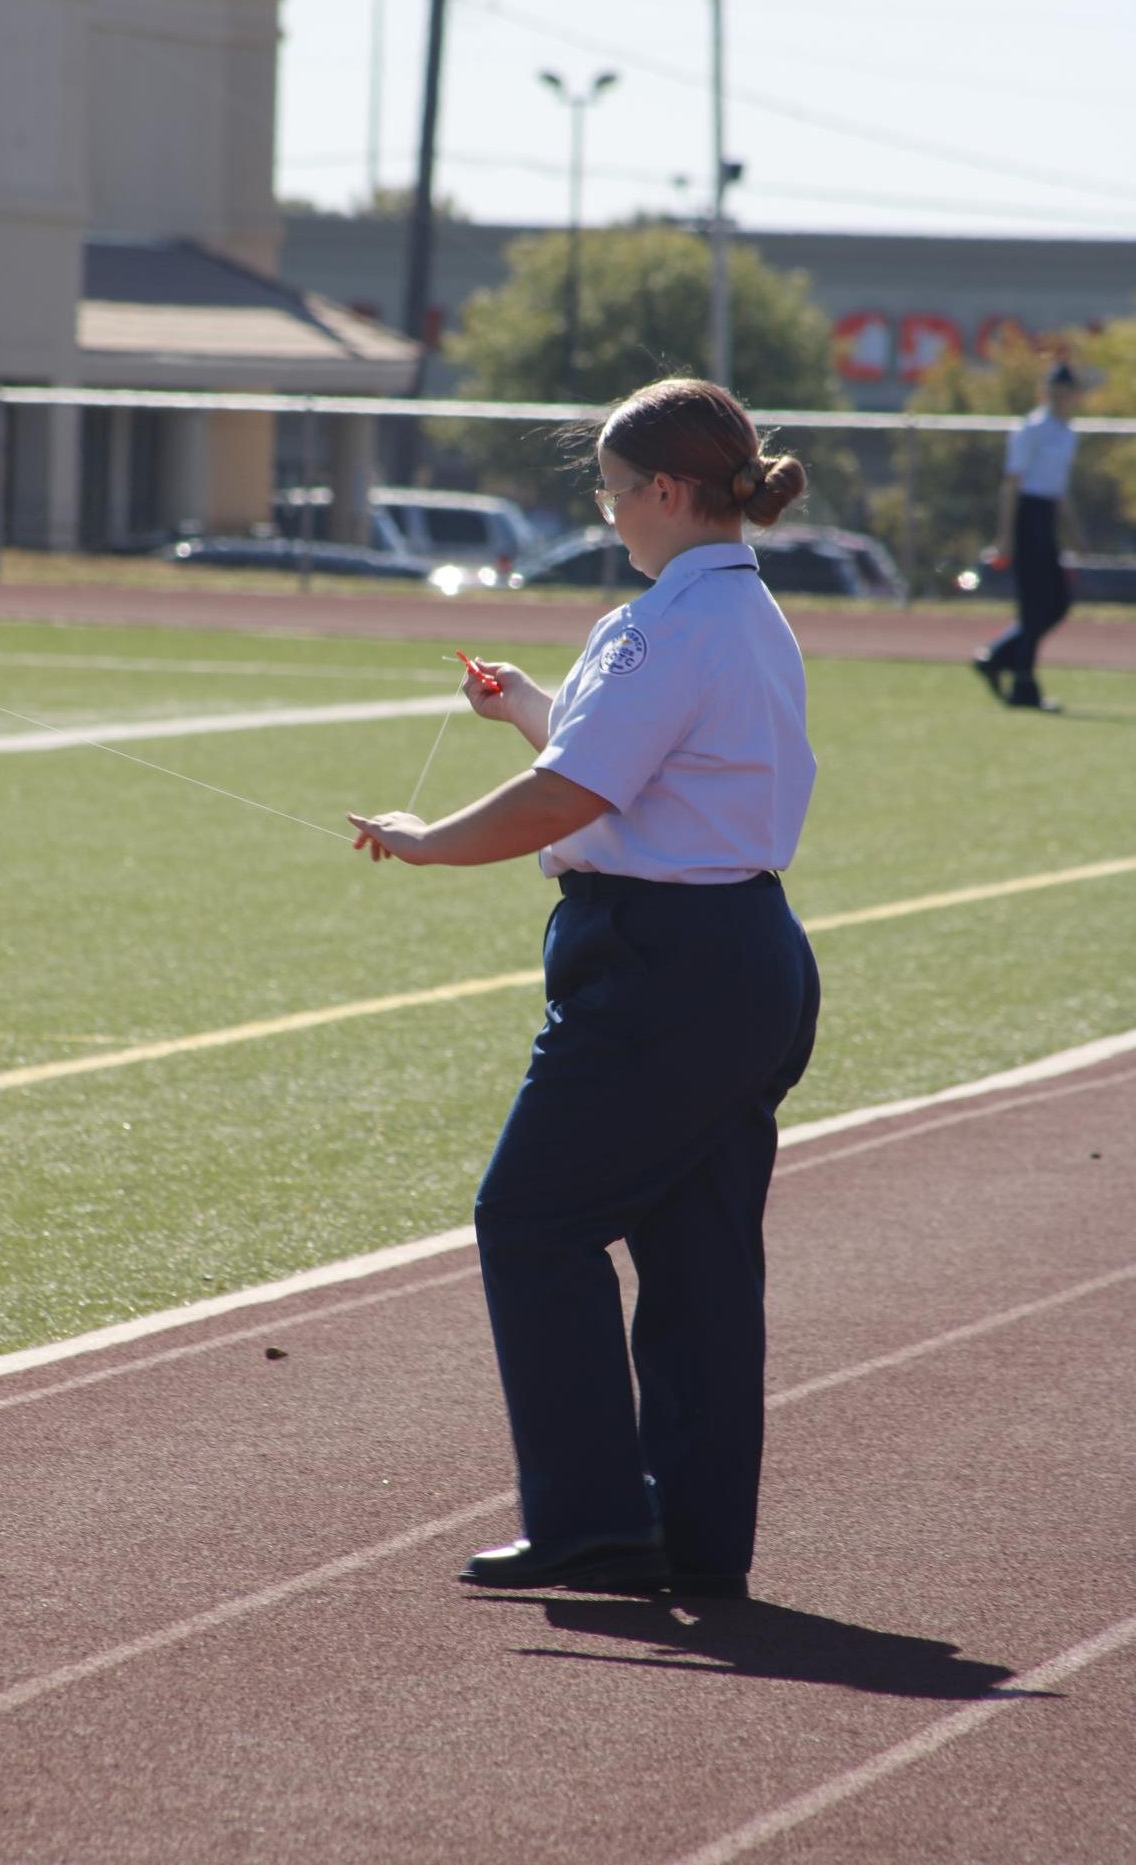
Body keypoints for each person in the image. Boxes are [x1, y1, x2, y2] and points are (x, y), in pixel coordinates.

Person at [348, 377, 821, 1598]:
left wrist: (425, 840)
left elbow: (574, 800)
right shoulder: (745, 614)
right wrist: (529, 712)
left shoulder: (662, 621)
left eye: (614, 495)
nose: (610, 518)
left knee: (530, 1219)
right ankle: (693, 1538)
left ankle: (594, 1519)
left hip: (662, 970)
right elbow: (635, 765)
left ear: (665, 491)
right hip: (745, 958)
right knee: (698, 1261)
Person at [973, 361, 1083, 712]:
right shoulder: (1031, 429)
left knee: (1057, 603)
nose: (1060, 398)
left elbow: (1059, 490)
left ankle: (997, 656)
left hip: (1046, 515)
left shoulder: (1068, 433)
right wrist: (1005, 537)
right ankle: (1024, 684)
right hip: (1027, 516)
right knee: (1035, 604)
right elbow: (1012, 485)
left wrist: (1074, 530)